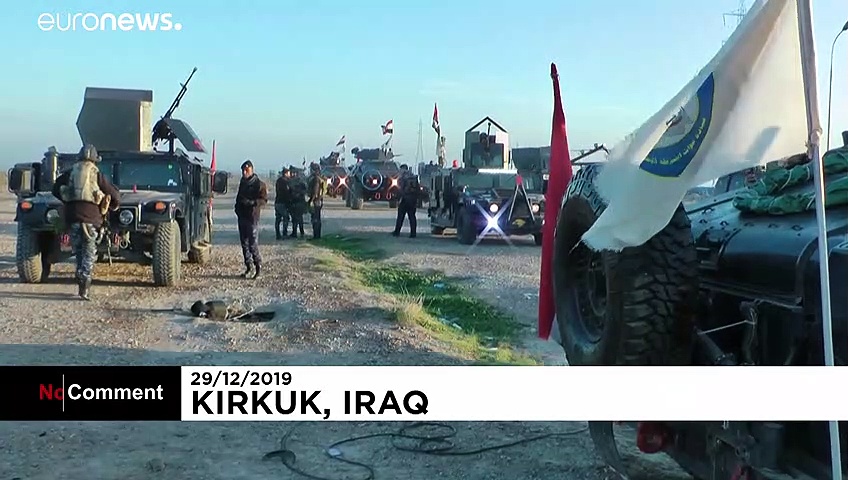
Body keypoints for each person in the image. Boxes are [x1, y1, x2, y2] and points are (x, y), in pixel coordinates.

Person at [52, 144, 121, 300]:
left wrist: (67, 199)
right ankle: (85, 285)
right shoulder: (96, 174)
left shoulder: (70, 172)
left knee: (78, 251)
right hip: (92, 219)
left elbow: (55, 189)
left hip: (73, 218)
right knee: (89, 252)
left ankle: (80, 276)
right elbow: (114, 194)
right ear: (95, 160)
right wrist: (113, 205)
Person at [234, 160, 268, 279]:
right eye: (243, 170)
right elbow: (238, 198)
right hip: (242, 216)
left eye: (246, 170)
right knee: (244, 244)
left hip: (252, 217)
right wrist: (237, 209)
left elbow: (264, 200)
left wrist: (252, 203)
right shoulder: (242, 183)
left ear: (252, 170)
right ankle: (248, 267)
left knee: (252, 244)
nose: (244, 173)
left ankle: (258, 266)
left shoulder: (259, 184)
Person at [392, 164, 419, 238]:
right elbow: (418, 189)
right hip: (412, 200)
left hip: (404, 199)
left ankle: (397, 232)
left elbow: (400, 189)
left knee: (400, 217)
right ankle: (413, 233)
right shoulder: (414, 177)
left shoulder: (403, 177)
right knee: (412, 217)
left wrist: (398, 198)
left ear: (403, 169)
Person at [306, 162, 327, 239]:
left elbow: (315, 191)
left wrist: (310, 201)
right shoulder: (320, 178)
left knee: (315, 219)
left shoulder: (316, 179)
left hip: (316, 200)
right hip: (319, 200)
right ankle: (317, 235)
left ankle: (316, 235)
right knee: (317, 218)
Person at [274, 168, 292, 240]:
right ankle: (284, 233)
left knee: (278, 219)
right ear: (286, 174)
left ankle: (278, 234)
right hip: (282, 202)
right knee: (286, 217)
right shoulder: (285, 182)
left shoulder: (278, 181)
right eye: (289, 173)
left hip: (277, 202)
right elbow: (286, 193)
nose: (290, 175)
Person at [289, 174, 308, 238]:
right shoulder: (302, 185)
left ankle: (295, 233)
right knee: (299, 219)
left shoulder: (293, 185)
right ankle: (301, 232)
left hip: (296, 203)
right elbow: (305, 192)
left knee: (295, 219)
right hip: (299, 203)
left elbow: (290, 194)